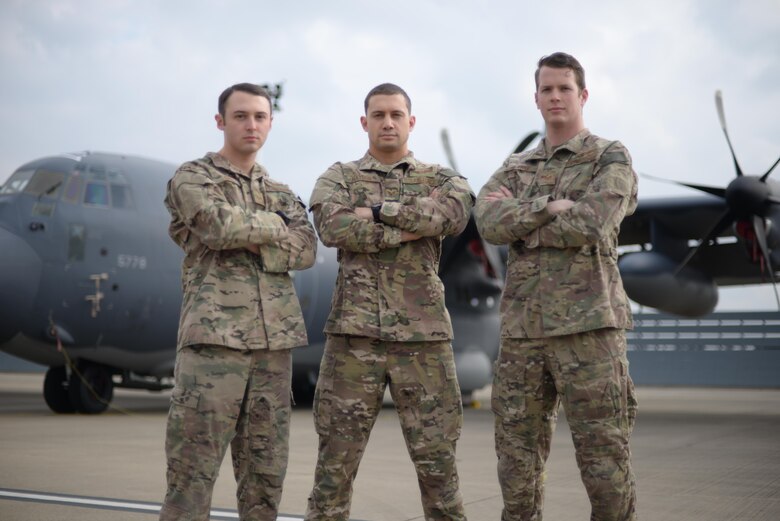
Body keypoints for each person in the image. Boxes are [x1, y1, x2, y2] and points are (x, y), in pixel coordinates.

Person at [474, 52, 639, 520]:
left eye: (564, 88)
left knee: (604, 457)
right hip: (523, 334)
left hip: (589, 331)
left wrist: (522, 219)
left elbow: (591, 222)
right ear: (536, 98)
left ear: (582, 95)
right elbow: (486, 219)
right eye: (547, 89)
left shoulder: (610, 156)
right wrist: (550, 207)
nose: (555, 96)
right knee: (516, 462)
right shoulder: (517, 165)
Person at [305, 83, 474, 521]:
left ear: (411, 122)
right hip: (353, 340)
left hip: (424, 340)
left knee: (439, 468)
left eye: (396, 115)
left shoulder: (442, 180)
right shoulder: (337, 177)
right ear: (365, 123)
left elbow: (452, 215)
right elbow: (333, 227)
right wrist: (412, 224)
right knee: (334, 469)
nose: (387, 122)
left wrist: (376, 213)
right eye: (378, 115)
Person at [160, 83, 317, 521]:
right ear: (221, 121)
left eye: (260, 116)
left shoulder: (283, 191)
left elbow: (306, 249)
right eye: (241, 115)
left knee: (265, 480)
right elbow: (216, 226)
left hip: (273, 349)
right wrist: (273, 227)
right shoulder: (192, 177)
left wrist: (251, 234)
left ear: (270, 123)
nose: (251, 124)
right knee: (192, 474)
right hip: (215, 344)